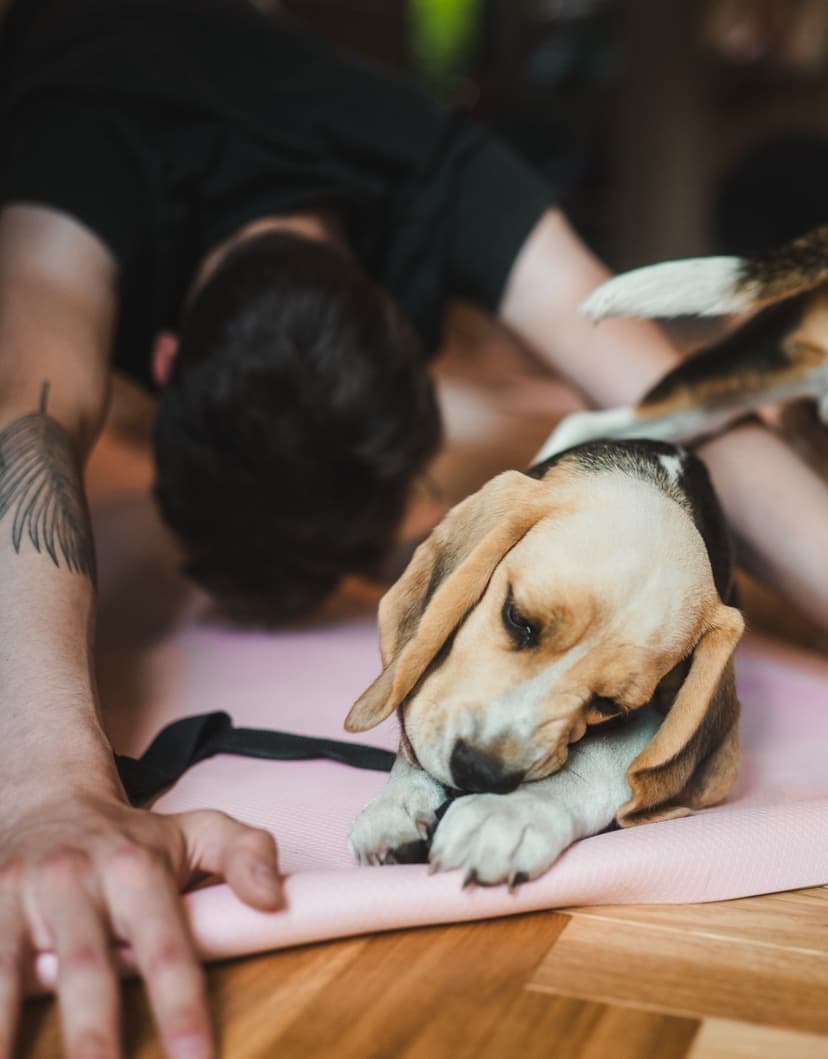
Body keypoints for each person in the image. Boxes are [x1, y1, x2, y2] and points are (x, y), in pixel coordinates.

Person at [1, 1, 827, 1057]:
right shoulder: (70, 141)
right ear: (163, 366)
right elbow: (24, 423)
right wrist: (45, 785)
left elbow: (691, 401)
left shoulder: (449, 173)